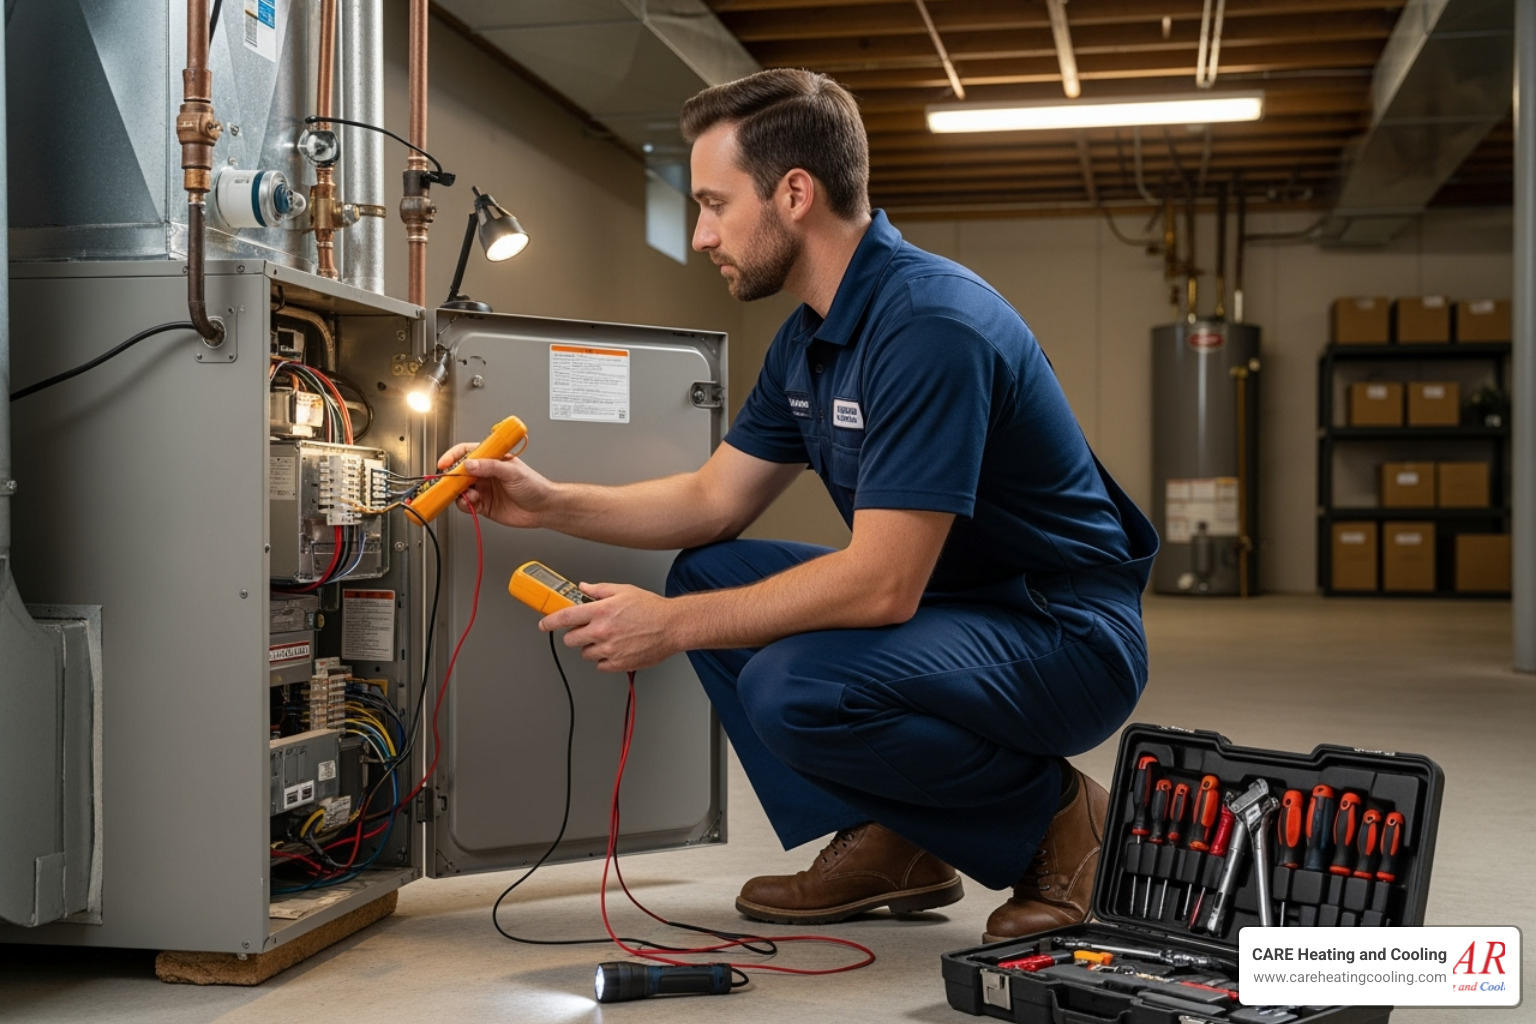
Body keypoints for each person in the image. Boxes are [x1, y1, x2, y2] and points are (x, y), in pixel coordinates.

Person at [441, 68, 1157, 942]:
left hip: (1063, 636)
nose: (702, 234)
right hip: (958, 609)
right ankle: (899, 840)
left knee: (795, 686)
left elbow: (883, 587)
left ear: (794, 193)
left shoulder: (931, 327)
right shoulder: (811, 337)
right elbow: (713, 500)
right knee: (713, 569)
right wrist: (549, 503)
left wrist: (670, 627)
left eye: (713, 203)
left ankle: (1062, 823)